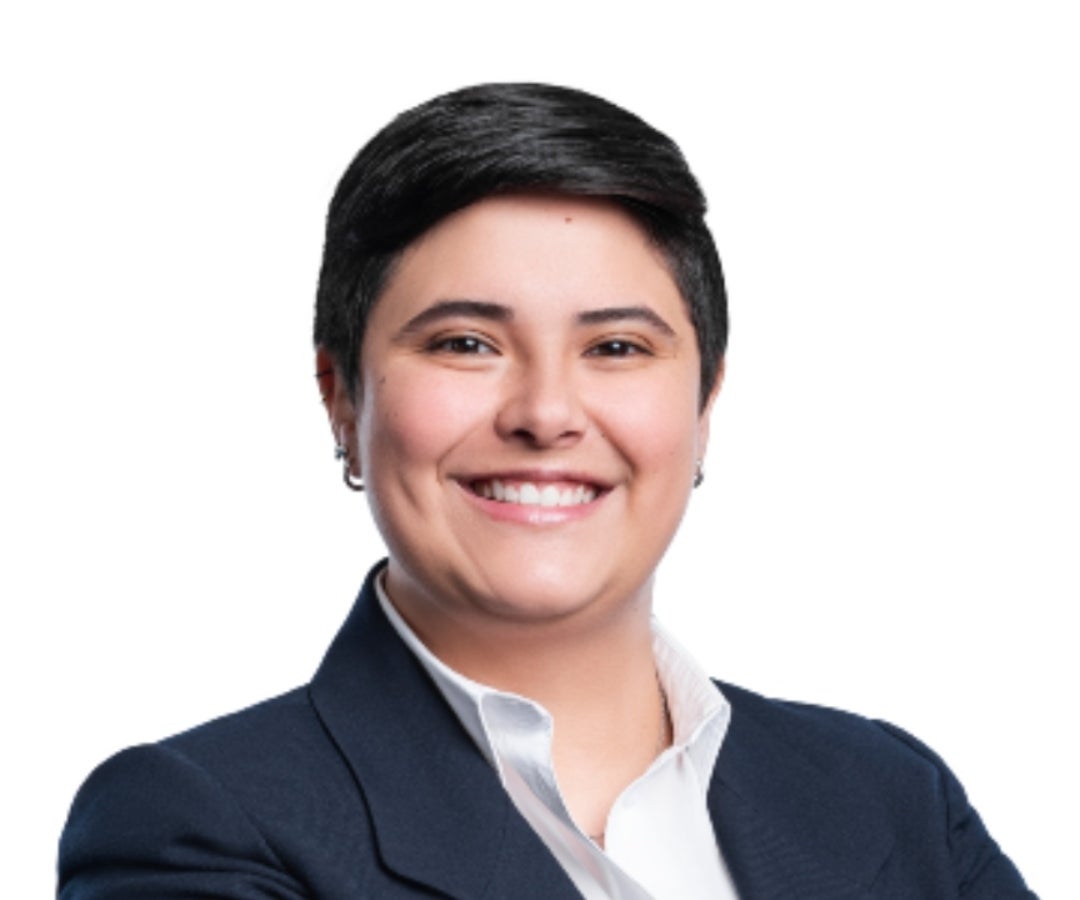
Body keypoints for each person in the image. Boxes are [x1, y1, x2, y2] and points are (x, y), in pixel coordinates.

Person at [57, 83, 1036, 899]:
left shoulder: (889, 795)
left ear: (704, 405)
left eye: (617, 347)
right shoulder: (197, 824)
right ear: (340, 398)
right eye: (465, 343)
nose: (546, 413)